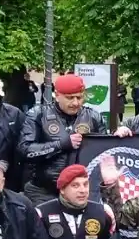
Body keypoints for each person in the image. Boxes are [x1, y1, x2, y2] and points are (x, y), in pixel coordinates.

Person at [20, 74, 107, 205]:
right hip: (44, 191)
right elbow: (25, 150)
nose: (75, 103)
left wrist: (119, 136)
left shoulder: (93, 117)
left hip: (81, 190)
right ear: (57, 95)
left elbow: (105, 152)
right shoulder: (38, 114)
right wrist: (61, 144)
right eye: (70, 98)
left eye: (79, 97)